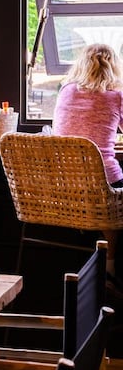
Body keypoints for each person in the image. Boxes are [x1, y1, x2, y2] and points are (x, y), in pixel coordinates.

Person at [52, 42, 123, 286]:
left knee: (102, 198)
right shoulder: (116, 95)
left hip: (63, 181)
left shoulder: (66, 90)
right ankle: (110, 269)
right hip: (102, 180)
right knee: (112, 200)